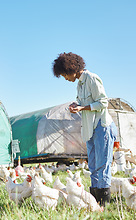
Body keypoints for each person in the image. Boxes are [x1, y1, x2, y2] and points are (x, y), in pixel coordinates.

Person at [52, 52, 117, 206]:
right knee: (93, 165)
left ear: (71, 68)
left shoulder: (92, 79)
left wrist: (82, 107)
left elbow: (103, 102)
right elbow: (84, 104)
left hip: (102, 126)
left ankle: (104, 204)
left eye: (64, 75)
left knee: (103, 164)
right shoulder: (80, 84)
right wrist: (77, 106)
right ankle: (95, 200)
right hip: (90, 128)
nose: (66, 79)